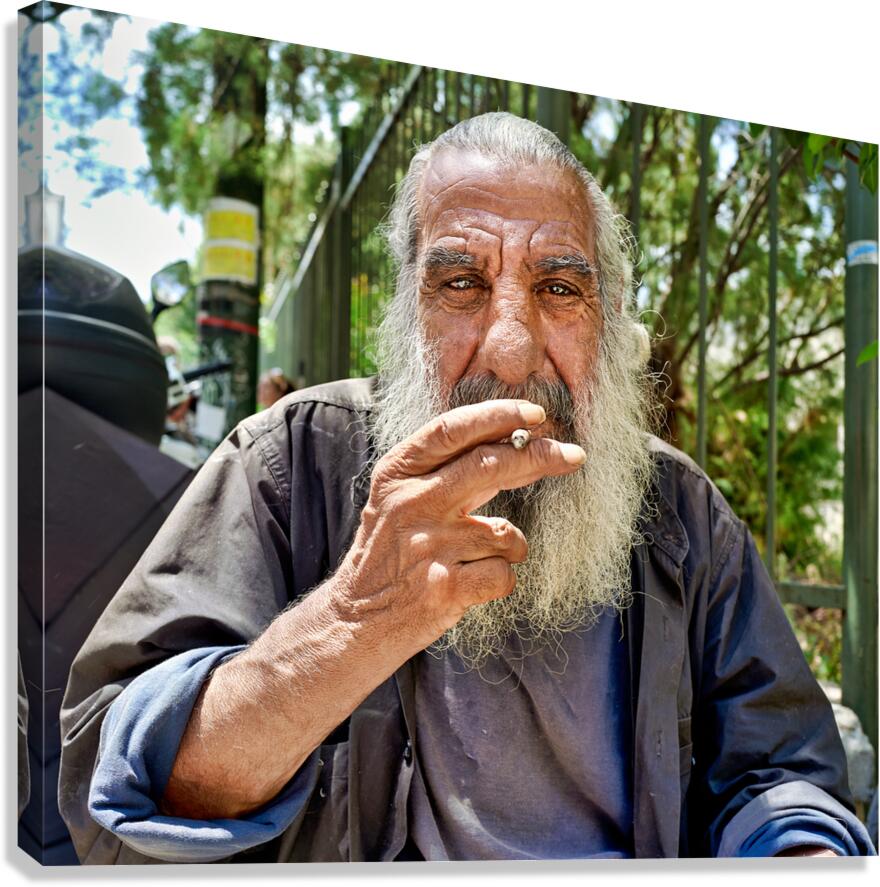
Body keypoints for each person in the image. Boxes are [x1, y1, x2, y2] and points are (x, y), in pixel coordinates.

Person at [58, 113, 873, 863]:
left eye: (559, 289)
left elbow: (777, 772)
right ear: (406, 310)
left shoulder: (683, 514)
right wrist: (352, 626)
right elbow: (117, 783)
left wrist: (798, 854)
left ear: (608, 316)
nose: (512, 350)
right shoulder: (288, 463)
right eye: (462, 285)